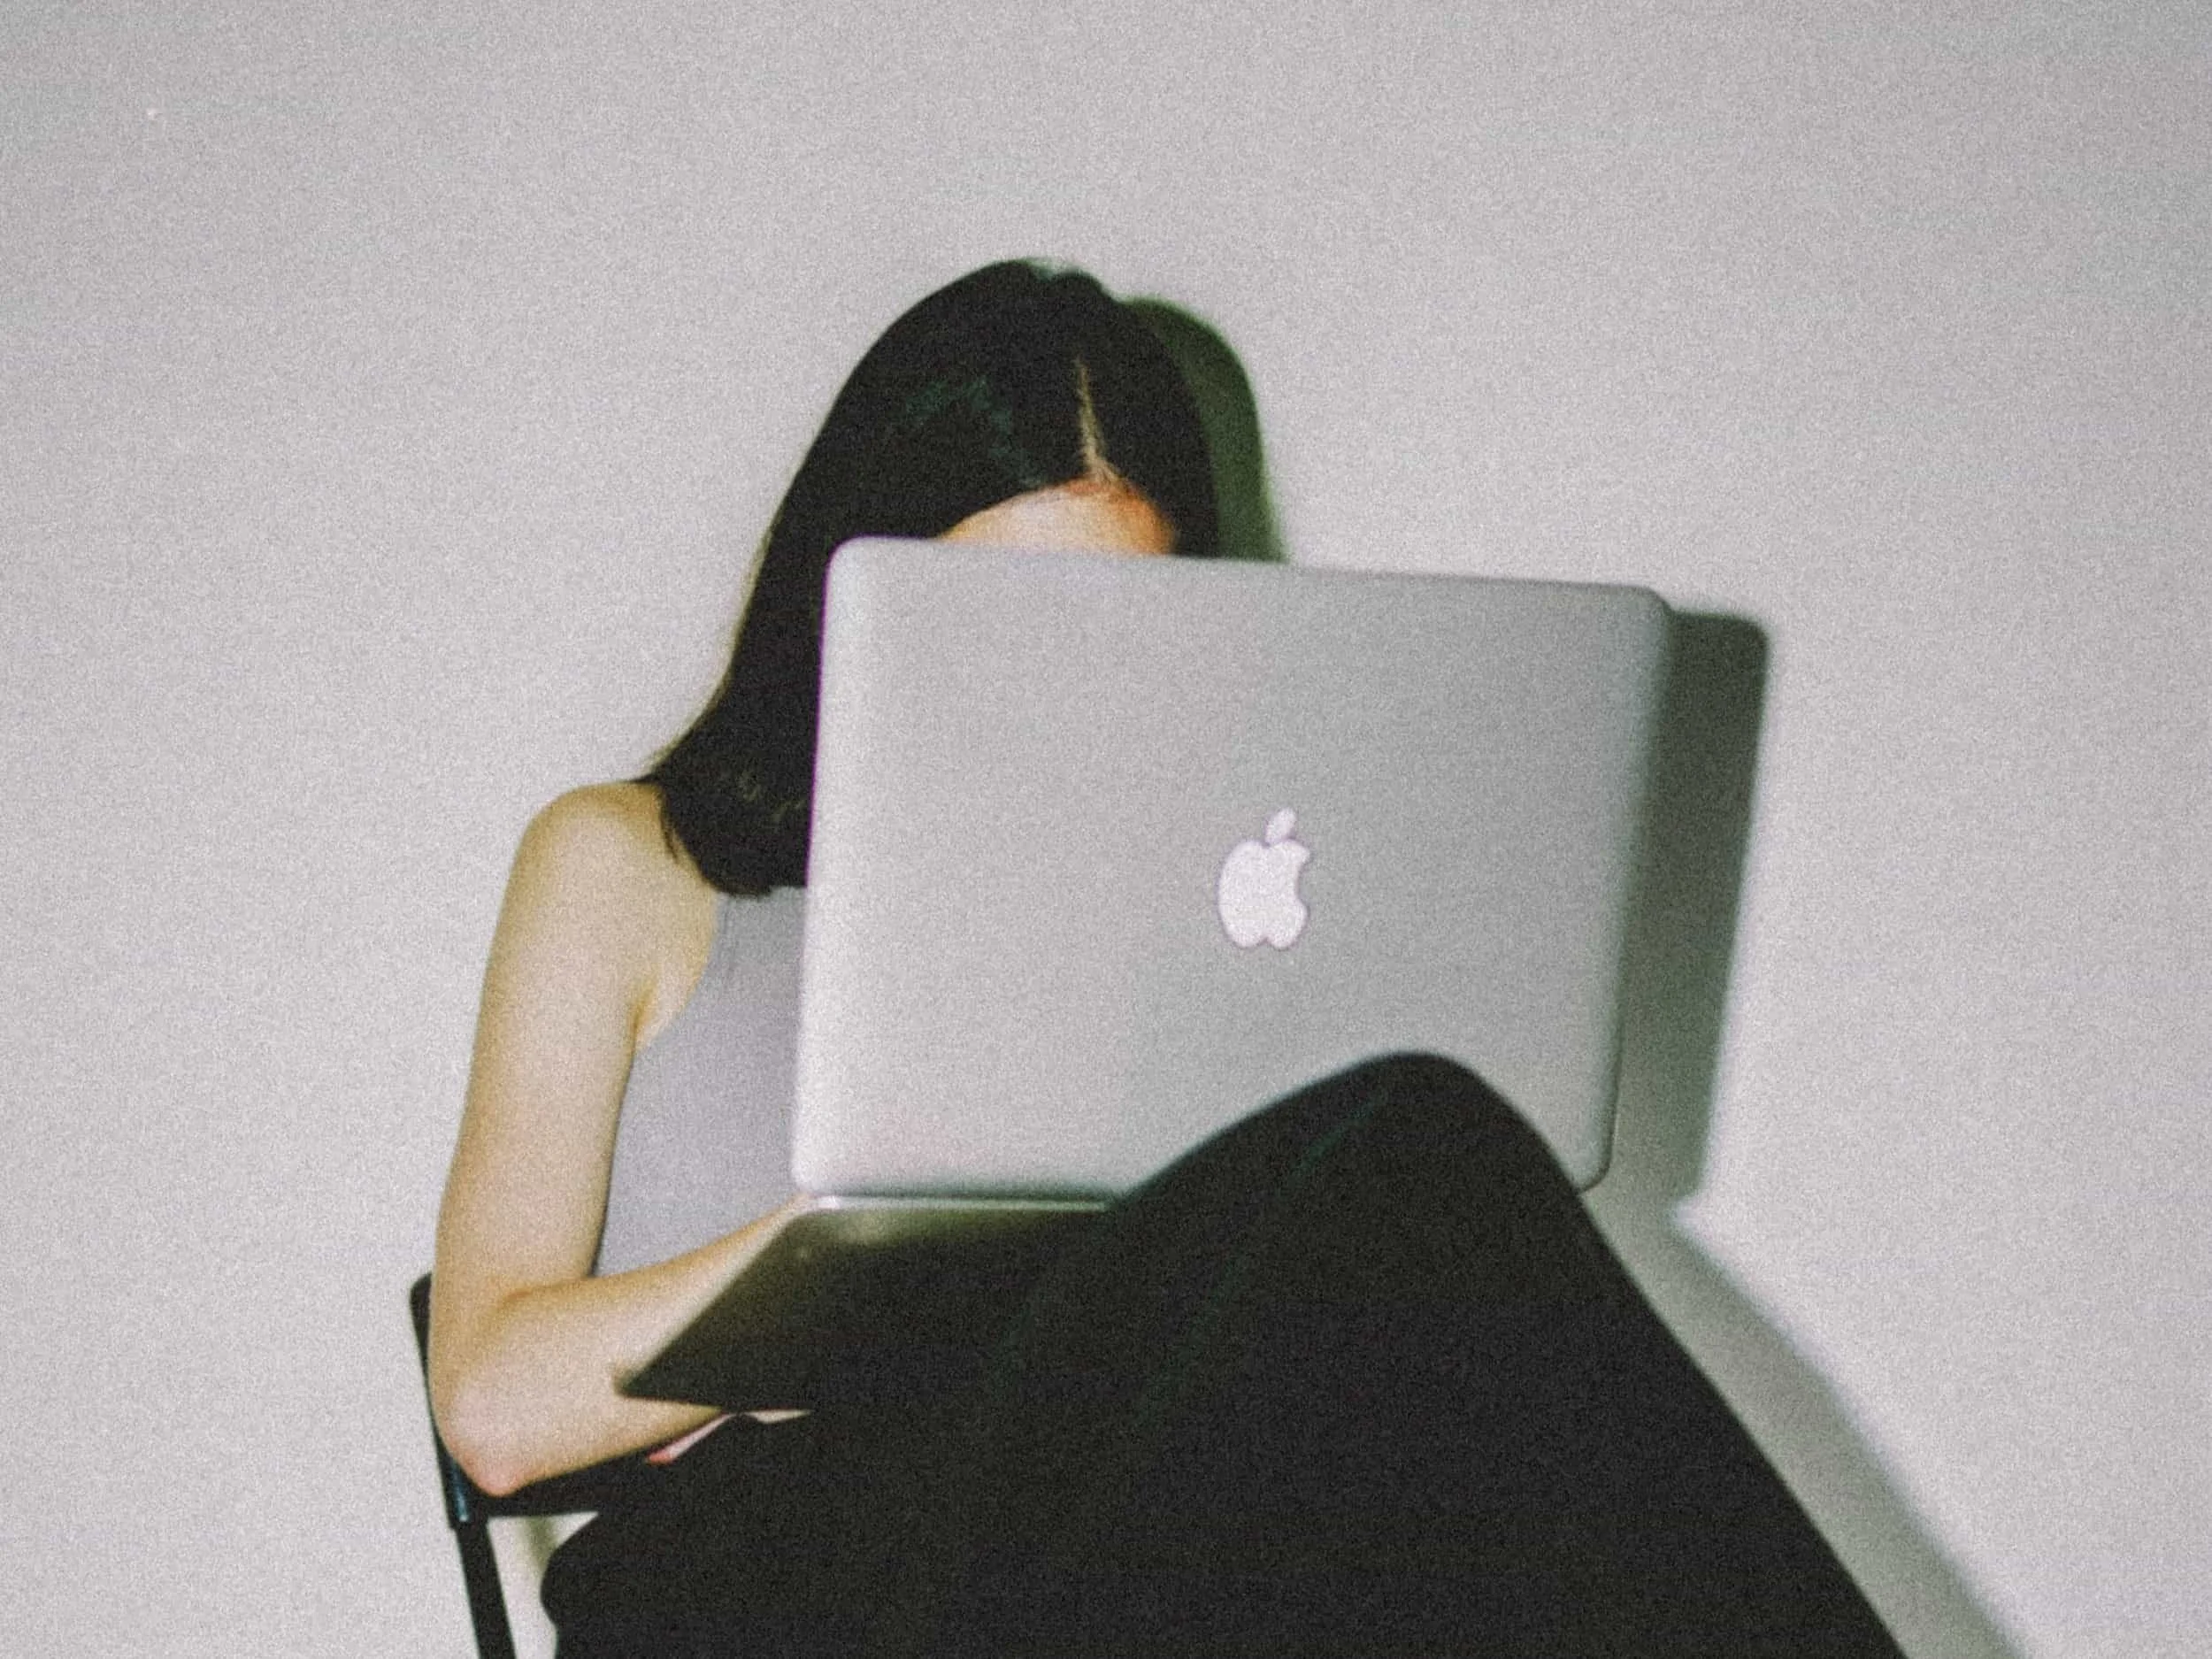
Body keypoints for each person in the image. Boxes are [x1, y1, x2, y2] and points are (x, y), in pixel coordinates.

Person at [432, 262, 1905, 1657]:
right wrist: (854, 1262)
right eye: (1000, 626)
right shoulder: (628, 861)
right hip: (742, 1580)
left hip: (1092, 1560)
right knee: (1418, 1143)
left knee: (1412, 1246)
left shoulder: (1161, 924)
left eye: (1113, 635)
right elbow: (491, 1406)